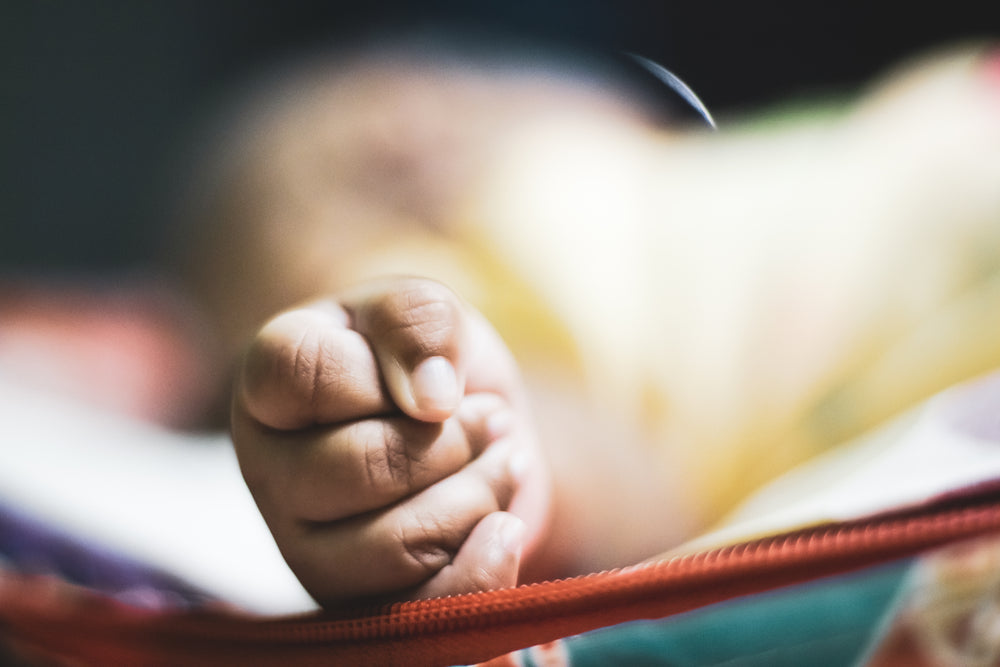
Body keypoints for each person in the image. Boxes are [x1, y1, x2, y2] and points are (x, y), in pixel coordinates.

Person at [173, 34, 1000, 609]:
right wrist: (493, 458)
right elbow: (555, 424)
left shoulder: (706, 167)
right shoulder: (474, 241)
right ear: (402, 141)